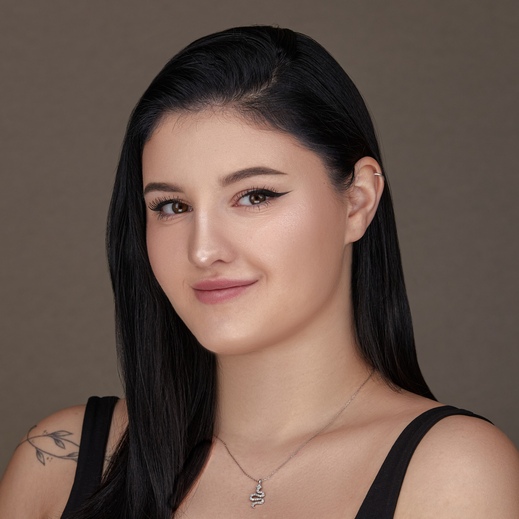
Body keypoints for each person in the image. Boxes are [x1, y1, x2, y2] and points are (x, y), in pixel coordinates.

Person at [0, 25, 518, 519]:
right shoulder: (60, 464)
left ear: (358, 201)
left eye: (254, 196)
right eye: (172, 206)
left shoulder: (454, 472)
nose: (204, 250)